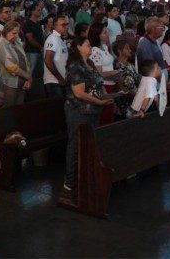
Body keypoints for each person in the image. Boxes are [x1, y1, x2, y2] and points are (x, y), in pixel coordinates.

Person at [61, 36, 113, 203]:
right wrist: (99, 101)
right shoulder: (75, 66)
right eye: (87, 44)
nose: (90, 46)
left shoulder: (89, 63)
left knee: (91, 144)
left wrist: (106, 95)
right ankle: (70, 183)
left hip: (93, 111)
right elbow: (79, 93)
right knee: (76, 145)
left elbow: (98, 81)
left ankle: (87, 178)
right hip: (79, 111)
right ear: (78, 47)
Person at [0, 21, 32, 107]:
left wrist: (27, 78)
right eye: (14, 33)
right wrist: (28, 77)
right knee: (9, 109)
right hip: (10, 84)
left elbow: (25, 61)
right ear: (6, 31)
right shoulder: (1, 44)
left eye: (17, 33)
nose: (16, 36)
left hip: (22, 82)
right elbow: (11, 67)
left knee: (19, 108)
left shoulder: (16, 42)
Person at [44, 15, 68, 98]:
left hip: (59, 81)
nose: (66, 27)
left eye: (66, 24)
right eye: (63, 25)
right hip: (54, 82)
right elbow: (47, 60)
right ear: (54, 26)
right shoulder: (53, 38)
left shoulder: (59, 39)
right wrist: (60, 78)